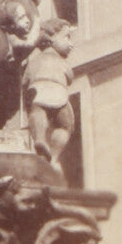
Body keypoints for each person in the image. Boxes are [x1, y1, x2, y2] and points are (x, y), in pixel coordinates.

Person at [23, 19, 77, 170]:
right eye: (67, 37)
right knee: (66, 126)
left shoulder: (34, 61)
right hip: (57, 92)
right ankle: (53, 156)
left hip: (36, 91)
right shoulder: (61, 62)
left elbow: (25, 79)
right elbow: (69, 76)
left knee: (37, 112)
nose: (70, 43)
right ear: (52, 38)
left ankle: (39, 138)